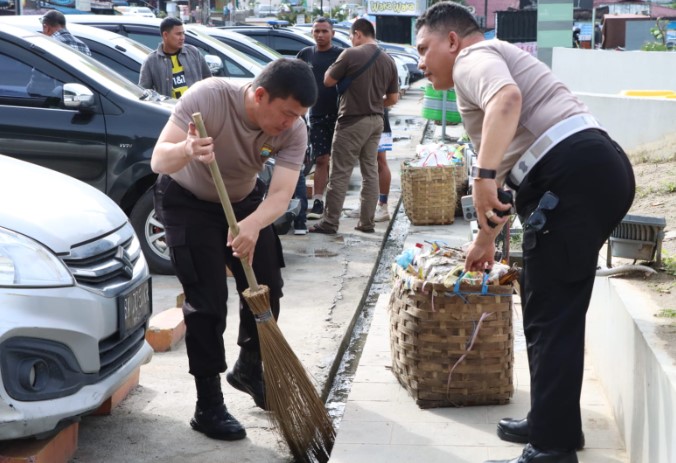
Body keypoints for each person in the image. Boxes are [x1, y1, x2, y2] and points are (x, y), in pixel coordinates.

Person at [415, 3, 635, 463]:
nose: (420, 62)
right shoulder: (481, 65)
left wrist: (480, 176)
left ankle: (551, 449)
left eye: (424, 48)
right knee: (548, 305)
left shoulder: (474, 59)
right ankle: (553, 424)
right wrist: (485, 238)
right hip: (578, 173)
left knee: (550, 313)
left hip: (571, 174)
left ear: (452, 41)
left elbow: (508, 101)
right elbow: (511, 175)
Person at [150, 59, 317, 441]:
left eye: (299, 116)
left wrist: (253, 225)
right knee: (207, 302)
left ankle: (249, 366)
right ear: (260, 95)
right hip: (187, 199)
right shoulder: (209, 98)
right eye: (287, 113)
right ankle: (208, 404)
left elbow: (280, 193)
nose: (290, 123)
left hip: (243, 202)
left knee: (267, 286)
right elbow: (159, 159)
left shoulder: (294, 130)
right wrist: (189, 148)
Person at [309, 18, 399, 234]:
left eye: (351, 36)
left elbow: (328, 81)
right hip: (376, 121)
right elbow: (393, 98)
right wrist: (375, 103)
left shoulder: (350, 54)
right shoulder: (388, 59)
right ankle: (366, 223)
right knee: (370, 172)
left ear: (358, 34)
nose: (351, 40)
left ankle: (330, 222)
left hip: (351, 121)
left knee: (340, 172)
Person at [296, 17, 344, 221]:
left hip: (341, 115)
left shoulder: (341, 55)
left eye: (325, 31)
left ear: (332, 33)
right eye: (316, 31)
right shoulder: (305, 54)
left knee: (341, 162)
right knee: (321, 159)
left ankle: (335, 204)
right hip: (316, 115)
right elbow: (295, 83)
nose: (320, 35)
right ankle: (318, 201)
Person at [139, 17, 211, 99]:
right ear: (165, 35)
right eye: (178, 34)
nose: (182, 37)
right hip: (169, 110)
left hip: (196, 109)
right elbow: (144, 92)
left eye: (183, 33)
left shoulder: (193, 53)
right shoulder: (151, 61)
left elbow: (208, 81)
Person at [344, 107, 392, 222]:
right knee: (365, 161)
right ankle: (364, 205)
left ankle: (383, 206)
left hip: (378, 116)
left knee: (380, 160)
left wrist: (372, 104)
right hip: (359, 117)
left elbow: (393, 98)